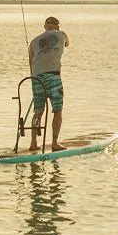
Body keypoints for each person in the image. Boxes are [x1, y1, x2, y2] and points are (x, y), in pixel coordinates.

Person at [28, 16, 69, 152]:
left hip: (36, 78)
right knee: (57, 110)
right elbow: (67, 44)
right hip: (53, 76)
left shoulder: (33, 42)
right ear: (57, 26)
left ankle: (33, 143)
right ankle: (55, 143)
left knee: (38, 111)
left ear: (44, 27)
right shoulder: (62, 34)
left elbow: (31, 64)